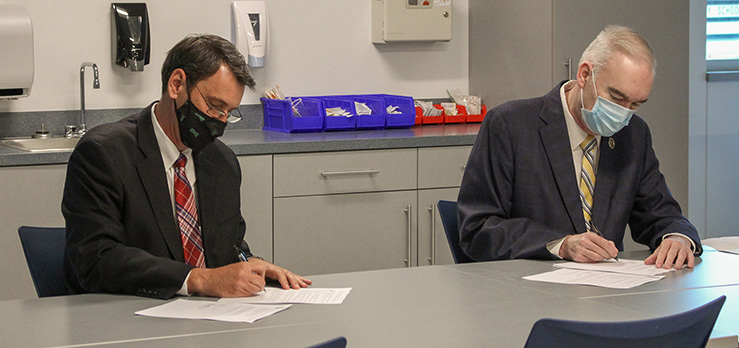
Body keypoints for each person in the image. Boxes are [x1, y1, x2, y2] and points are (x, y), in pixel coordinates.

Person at [63, 34, 311, 299]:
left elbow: (229, 245)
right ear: (177, 84)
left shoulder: (221, 162)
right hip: (131, 316)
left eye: (229, 112)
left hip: (214, 320)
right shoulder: (104, 154)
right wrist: (197, 279)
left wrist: (250, 263)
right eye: (215, 106)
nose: (220, 123)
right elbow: (95, 258)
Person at [457, 25, 701, 270]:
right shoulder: (510, 125)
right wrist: (561, 245)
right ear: (585, 75)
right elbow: (478, 228)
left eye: (635, 104)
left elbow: (662, 213)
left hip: (608, 294)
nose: (624, 113)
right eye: (616, 98)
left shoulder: (633, 135)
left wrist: (677, 238)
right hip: (528, 291)